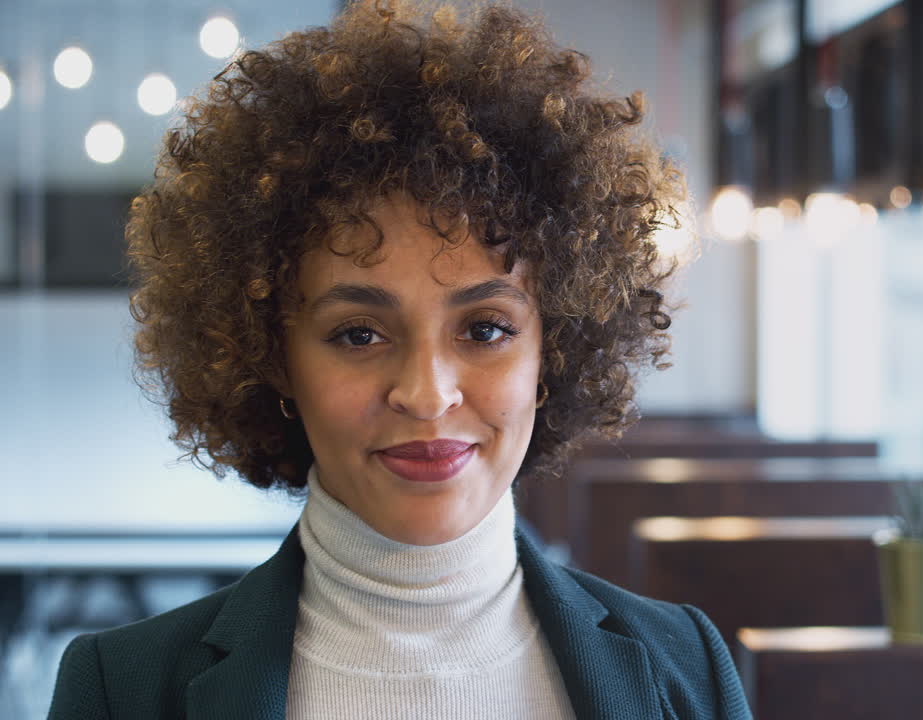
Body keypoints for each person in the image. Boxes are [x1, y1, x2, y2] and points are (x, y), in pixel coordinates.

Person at [46, 2, 750, 718]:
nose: (426, 393)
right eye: (358, 334)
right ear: (274, 358)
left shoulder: (684, 666)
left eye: (484, 329)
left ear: (554, 350)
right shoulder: (123, 688)